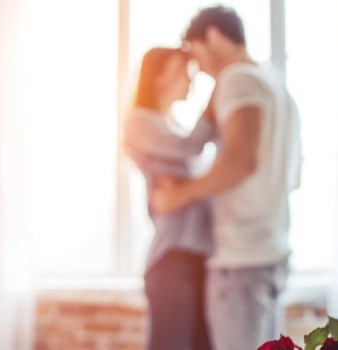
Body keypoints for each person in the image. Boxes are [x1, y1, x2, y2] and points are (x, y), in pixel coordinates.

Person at [152, 5, 302, 349]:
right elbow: (292, 176)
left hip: (240, 261)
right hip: (270, 252)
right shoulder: (275, 84)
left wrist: (180, 195)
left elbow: (240, 160)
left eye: (196, 52)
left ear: (214, 36)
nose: (198, 68)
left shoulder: (237, 79)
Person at [123, 47, 215, 350]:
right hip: (173, 260)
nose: (190, 81)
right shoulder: (139, 122)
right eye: (182, 72)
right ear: (159, 78)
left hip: (198, 259)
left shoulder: (173, 125)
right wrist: (217, 99)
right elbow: (189, 147)